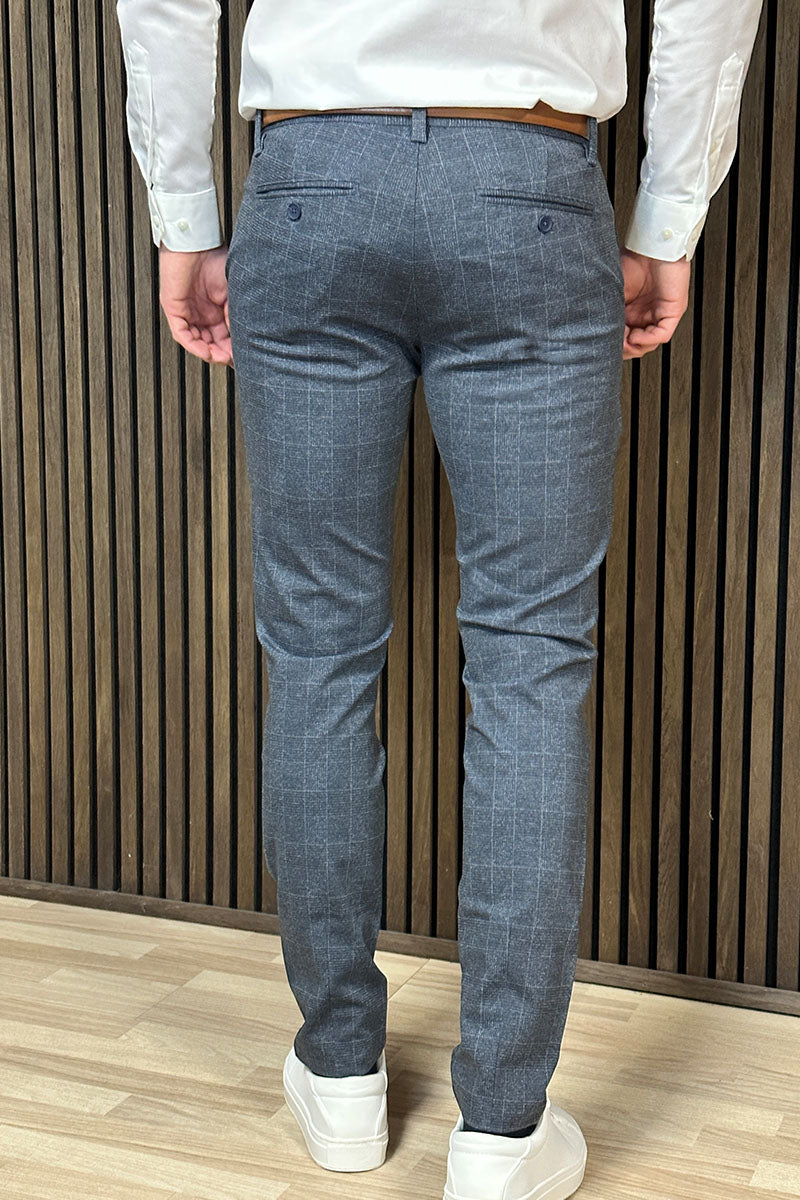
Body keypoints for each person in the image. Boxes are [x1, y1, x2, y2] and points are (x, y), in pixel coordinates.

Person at [115, 3, 764, 1196]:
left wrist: (185, 214)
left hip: (311, 179)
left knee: (316, 649)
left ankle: (340, 1082)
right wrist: (667, 216)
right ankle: (502, 1137)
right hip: (528, 182)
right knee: (530, 662)